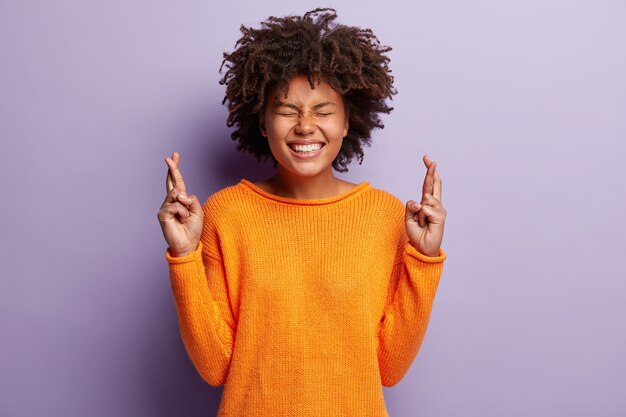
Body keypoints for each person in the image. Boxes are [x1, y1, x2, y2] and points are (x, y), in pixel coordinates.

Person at [157, 7, 447, 416]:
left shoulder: (385, 216)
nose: (306, 126)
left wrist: (424, 259)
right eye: (287, 110)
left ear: (348, 122)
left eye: (324, 111)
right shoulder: (227, 213)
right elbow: (214, 367)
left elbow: (390, 368)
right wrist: (184, 257)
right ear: (262, 121)